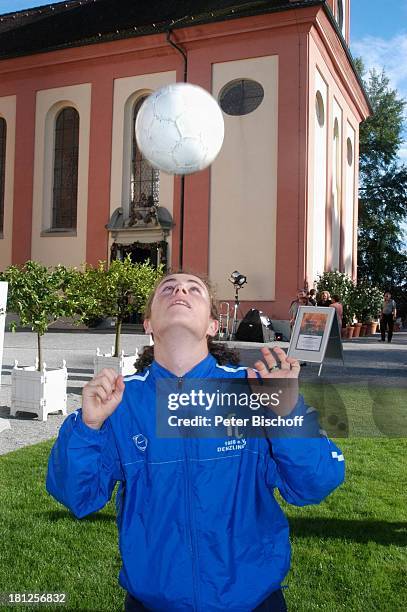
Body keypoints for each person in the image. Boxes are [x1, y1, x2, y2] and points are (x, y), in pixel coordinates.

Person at [46, 273, 345, 611]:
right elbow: (78, 496)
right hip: (152, 602)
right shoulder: (121, 400)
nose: (180, 291)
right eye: (168, 288)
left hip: (252, 601)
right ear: (147, 324)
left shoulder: (254, 390)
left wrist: (288, 413)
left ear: (213, 326)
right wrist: (88, 426)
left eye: (194, 289)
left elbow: (317, 483)